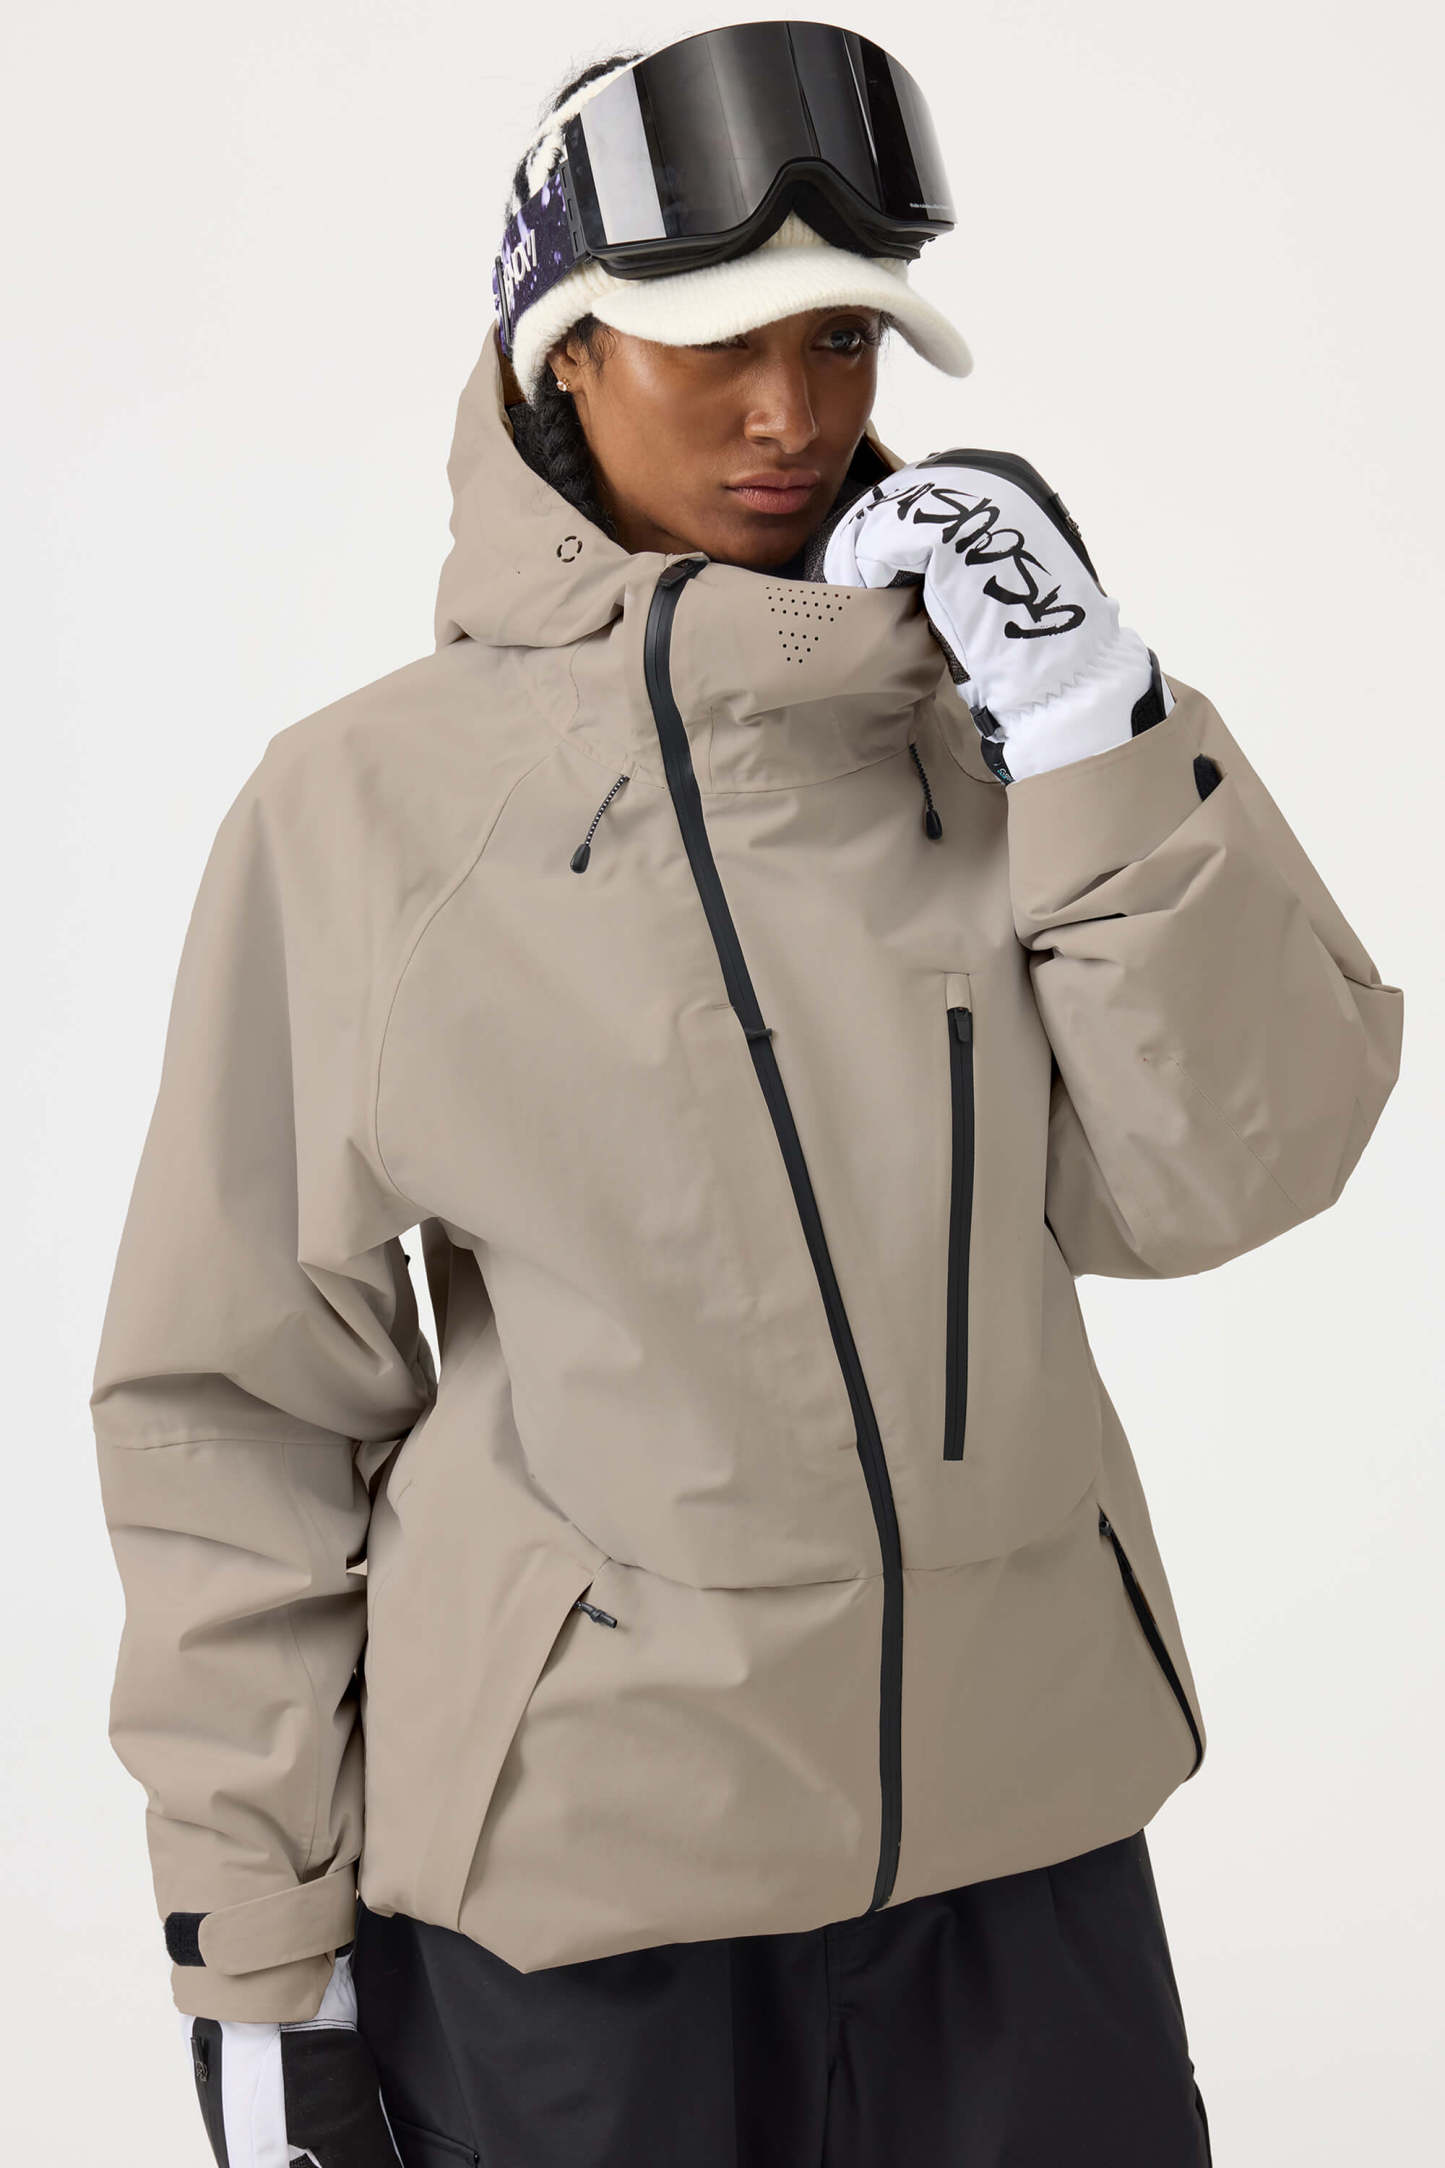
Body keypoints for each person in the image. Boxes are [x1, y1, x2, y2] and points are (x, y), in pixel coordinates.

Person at [90, 24, 1404, 2167]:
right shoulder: (367, 810)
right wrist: (258, 1964)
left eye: (840, 340)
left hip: (1025, 1856)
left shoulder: (1014, 724)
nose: (792, 415)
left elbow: (1232, 1166)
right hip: (585, 1917)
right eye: (713, 347)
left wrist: (1095, 721)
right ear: (564, 358)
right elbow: (231, 1406)